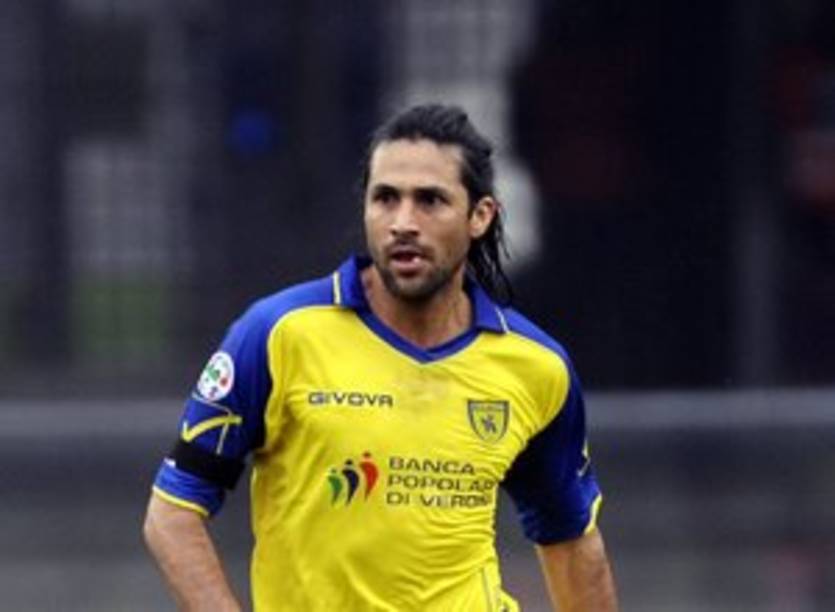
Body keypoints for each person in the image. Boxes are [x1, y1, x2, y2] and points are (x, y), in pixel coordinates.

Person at [143, 103, 618, 611]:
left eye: (430, 200)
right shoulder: (278, 334)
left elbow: (572, 543)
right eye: (386, 198)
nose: (403, 223)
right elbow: (171, 516)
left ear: (480, 216)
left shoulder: (536, 366)